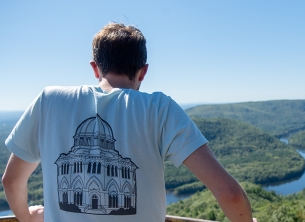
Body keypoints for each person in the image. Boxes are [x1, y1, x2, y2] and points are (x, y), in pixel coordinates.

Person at [2, 22, 254, 222]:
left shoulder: (49, 100)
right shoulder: (159, 108)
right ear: (143, 71)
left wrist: (26, 218)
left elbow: (11, 181)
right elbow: (230, 194)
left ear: (95, 68)